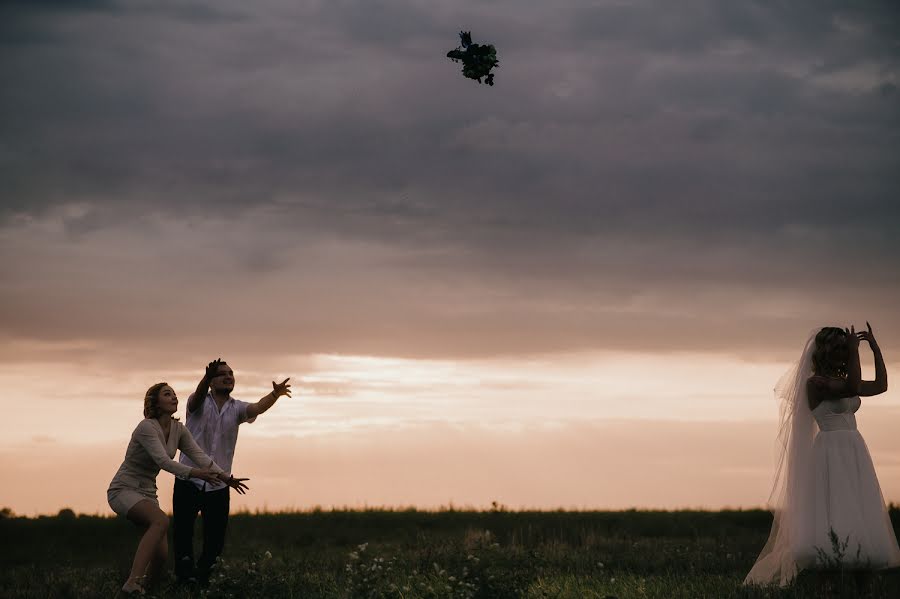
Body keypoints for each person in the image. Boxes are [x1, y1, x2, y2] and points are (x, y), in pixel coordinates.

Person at [745, 323, 900, 586]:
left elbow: (882, 385)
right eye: (838, 347)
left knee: (857, 508)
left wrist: (873, 348)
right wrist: (855, 352)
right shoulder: (815, 383)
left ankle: (859, 579)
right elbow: (852, 387)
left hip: (854, 449)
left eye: (845, 346)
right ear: (824, 351)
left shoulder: (842, 380)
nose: (843, 351)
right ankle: (827, 582)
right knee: (833, 509)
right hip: (830, 452)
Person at [107, 382, 248, 595]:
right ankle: (132, 583)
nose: (174, 397)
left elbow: (200, 456)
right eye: (167, 394)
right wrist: (195, 474)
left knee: (162, 555)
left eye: (174, 394)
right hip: (124, 489)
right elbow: (164, 461)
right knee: (161, 520)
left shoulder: (178, 429)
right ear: (155, 402)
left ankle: (147, 592)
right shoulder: (146, 427)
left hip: (147, 492)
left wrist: (225, 477)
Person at [173, 359, 291, 584]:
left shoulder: (236, 408)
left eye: (231, 373)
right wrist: (205, 379)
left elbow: (257, 408)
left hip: (220, 482)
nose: (228, 376)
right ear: (211, 380)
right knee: (183, 534)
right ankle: (183, 580)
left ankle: (202, 580)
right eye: (222, 374)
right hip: (190, 479)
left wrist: (274, 395)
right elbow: (198, 396)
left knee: (215, 541)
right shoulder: (197, 402)